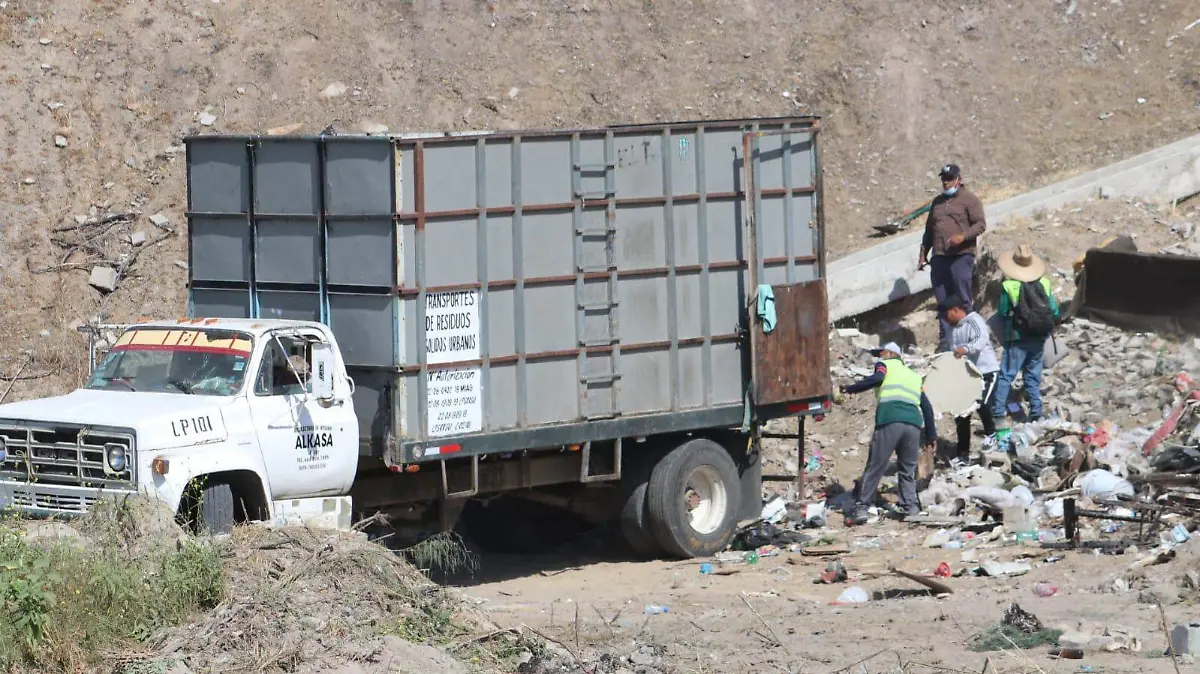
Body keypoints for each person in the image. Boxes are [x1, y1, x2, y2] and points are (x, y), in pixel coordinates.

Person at [838, 342, 938, 524]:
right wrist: (931, 435)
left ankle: (862, 507)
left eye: (881, 353)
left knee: (876, 465)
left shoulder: (885, 365)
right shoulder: (914, 376)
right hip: (913, 425)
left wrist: (850, 388)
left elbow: (877, 379)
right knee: (907, 470)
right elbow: (927, 407)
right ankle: (911, 508)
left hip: (890, 420)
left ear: (891, 353)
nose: (879, 356)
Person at [919, 164, 988, 349]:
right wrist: (923, 252)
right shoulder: (937, 202)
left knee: (962, 296)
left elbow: (980, 224)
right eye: (943, 179)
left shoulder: (969, 200)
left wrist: (963, 236)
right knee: (942, 301)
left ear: (959, 178)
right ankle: (945, 341)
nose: (946, 182)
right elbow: (929, 230)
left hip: (961, 256)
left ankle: (970, 336)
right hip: (939, 256)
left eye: (949, 178)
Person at [992, 244, 1059, 424]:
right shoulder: (1044, 282)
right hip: (1038, 337)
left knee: (1007, 374)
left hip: (1017, 338)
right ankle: (1036, 411)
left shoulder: (1009, 286)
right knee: (1032, 374)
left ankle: (998, 412)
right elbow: (1054, 309)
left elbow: (1003, 312)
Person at [943, 294, 1000, 463]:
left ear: (955, 310)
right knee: (961, 414)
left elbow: (980, 340)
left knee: (981, 403)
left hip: (986, 372)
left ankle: (992, 435)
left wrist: (965, 349)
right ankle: (963, 455)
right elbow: (951, 351)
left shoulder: (974, 321)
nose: (945, 320)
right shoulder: (952, 330)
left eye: (946, 315)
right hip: (967, 376)